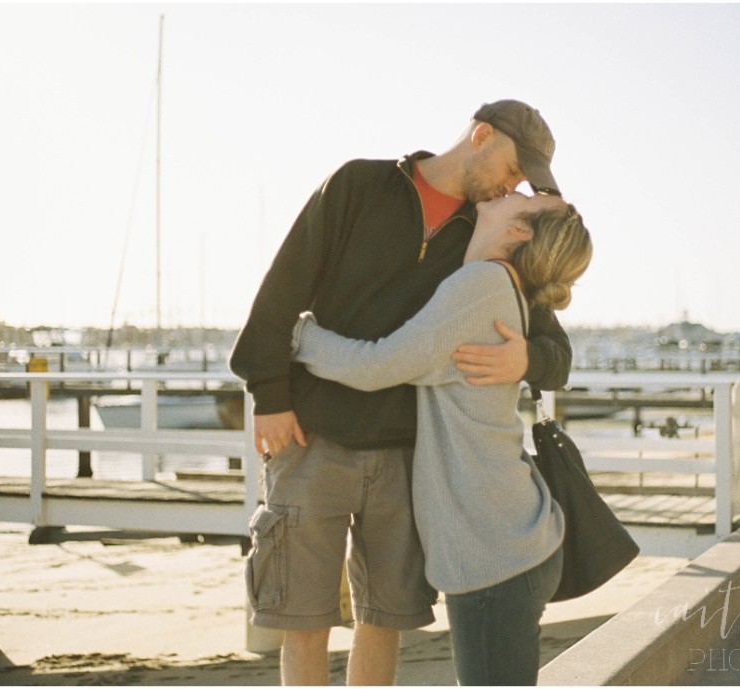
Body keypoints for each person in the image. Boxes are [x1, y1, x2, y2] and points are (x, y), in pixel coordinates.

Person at [230, 100, 573, 685]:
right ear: (481, 135)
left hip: (407, 458)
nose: (512, 185)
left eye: (521, 182)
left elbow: (555, 351)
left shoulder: (488, 236)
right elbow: (283, 284)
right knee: (303, 620)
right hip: (312, 435)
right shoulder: (360, 184)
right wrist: (270, 395)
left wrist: (527, 357)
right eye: (514, 168)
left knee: (382, 619)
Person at [291, 193, 592, 685]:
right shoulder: (504, 287)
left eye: (519, 198)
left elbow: (376, 364)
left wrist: (297, 334)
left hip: (495, 553)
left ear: (519, 232)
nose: (502, 193)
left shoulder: (481, 284)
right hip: (513, 538)